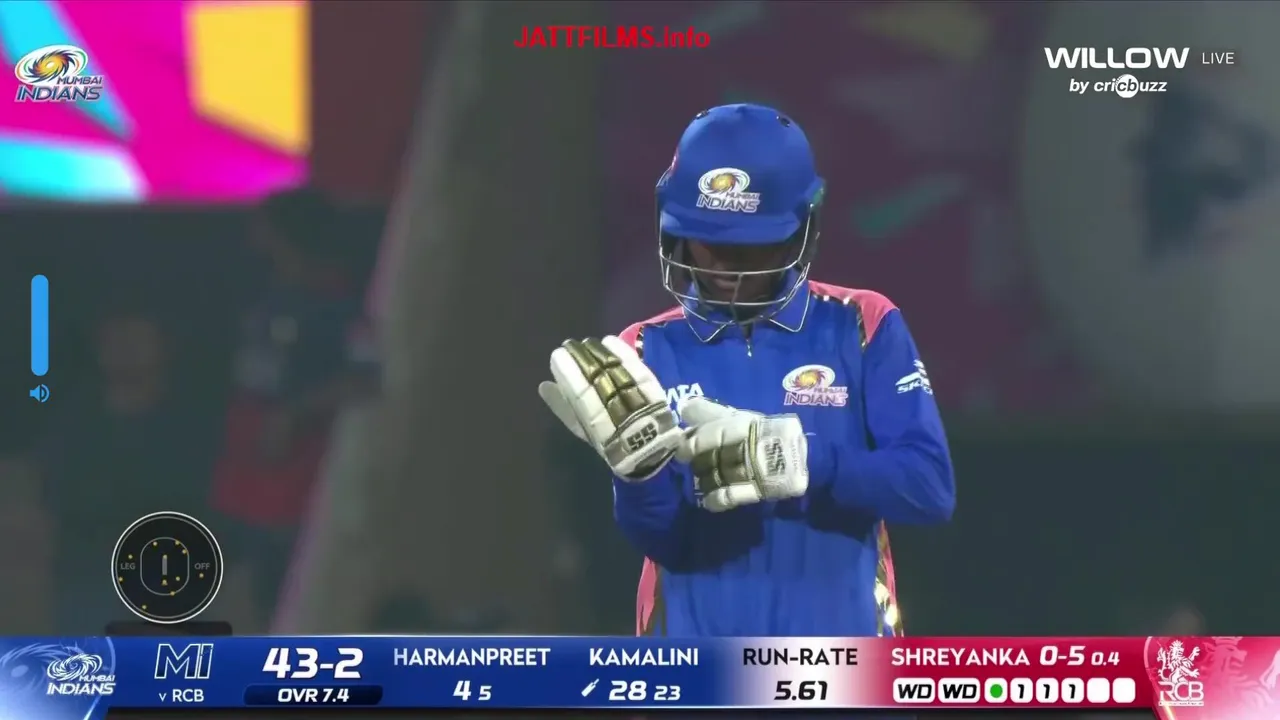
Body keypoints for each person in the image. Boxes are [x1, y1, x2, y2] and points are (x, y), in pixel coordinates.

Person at [539, 104, 955, 636]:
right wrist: (637, 478)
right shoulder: (643, 347)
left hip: (841, 664)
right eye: (708, 241)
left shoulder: (862, 323)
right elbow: (661, 539)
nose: (722, 267)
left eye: (747, 248)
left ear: (801, 227)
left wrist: (801, 461)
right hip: (696, 667)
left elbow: (928, 489)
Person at [211, 187, 378, 631]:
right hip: (243, 478)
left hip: (291, 486)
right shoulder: (266, 296)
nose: (256, 241)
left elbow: (364, 379)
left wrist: (294, 415)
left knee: (284, 598)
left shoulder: (337, 304)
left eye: (265, 231)